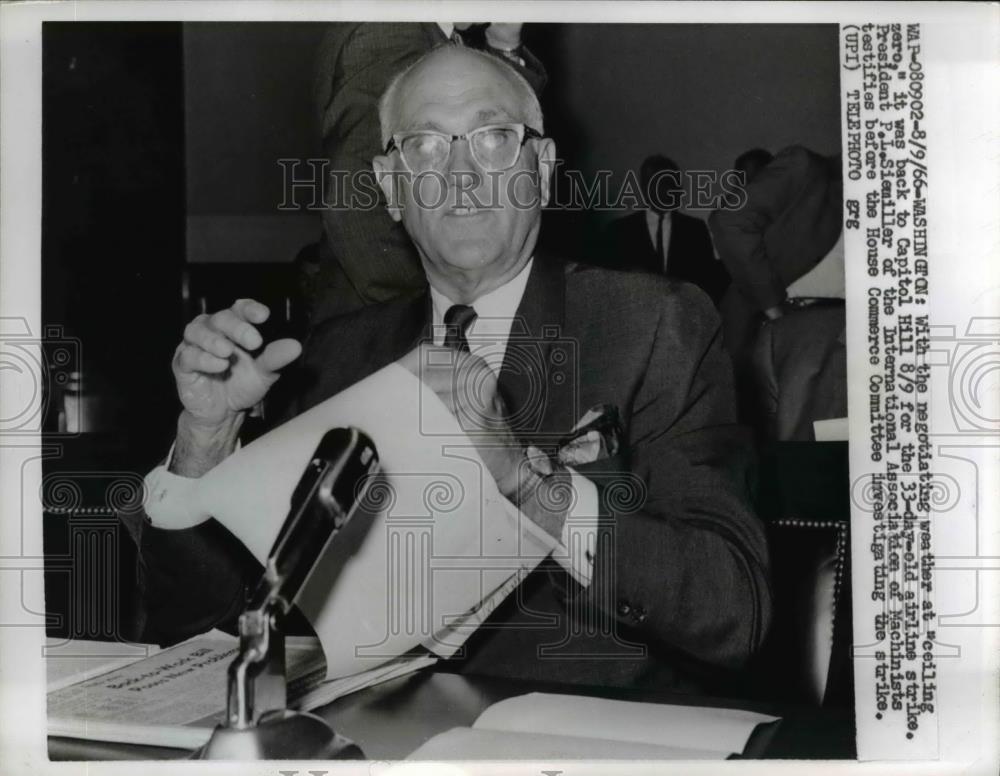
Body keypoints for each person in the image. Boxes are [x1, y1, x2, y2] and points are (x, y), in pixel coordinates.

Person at [123, 46, 771, 691]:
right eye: (426, 146)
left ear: (542, 169)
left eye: (493, 138)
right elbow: (196, 628)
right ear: (390, 187)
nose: (460, 173)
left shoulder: (652, 323)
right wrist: (205, 442)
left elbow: (734, 611)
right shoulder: (335, 357)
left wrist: (529, 489)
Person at [303, 22, 547, 327]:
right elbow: (362, 209)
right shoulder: (388, 31)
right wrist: (449, 328)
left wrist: (503, 46)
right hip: (385, 339)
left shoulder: (425, 27)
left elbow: (518, 124)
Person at [601, 155, 729, 305]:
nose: (668, 190)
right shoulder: (619, 230)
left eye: (671, 183)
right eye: (658, 183)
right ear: (644, 187)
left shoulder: (695, 229)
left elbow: (707, 282)